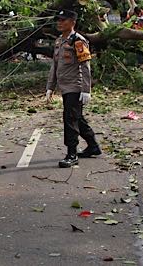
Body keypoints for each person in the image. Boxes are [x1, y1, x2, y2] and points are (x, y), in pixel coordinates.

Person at [45, 9, 100, 168]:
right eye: (58, 20)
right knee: (77, 118)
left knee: (70, 119)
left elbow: (85, 66)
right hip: (64, 86)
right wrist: (50, 87)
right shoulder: (58, 41)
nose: (59, 23)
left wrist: (86, 89)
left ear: (72, 22)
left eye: (63, 20)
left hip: (75, 87)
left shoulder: (78, 40)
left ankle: (72, 154)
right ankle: (93, 146)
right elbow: (55, 66)